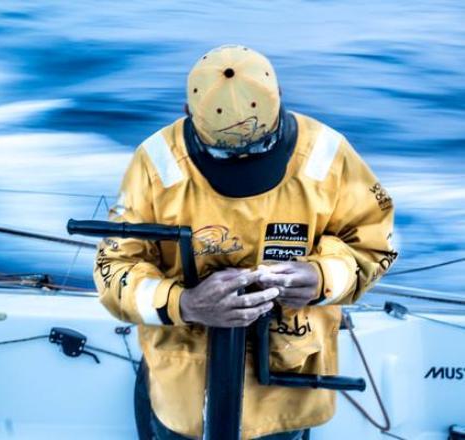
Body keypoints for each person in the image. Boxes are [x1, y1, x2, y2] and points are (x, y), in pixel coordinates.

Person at [93, 44, 396, 439]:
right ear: (186, 113)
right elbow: (113, 267)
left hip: (283, 398)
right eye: (225, 153)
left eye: (258, 149)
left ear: (280, 99)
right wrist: (184, 303)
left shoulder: (328, 156)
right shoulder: (155, 163)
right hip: (183, 397)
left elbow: (375, 244)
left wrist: (322, 278)